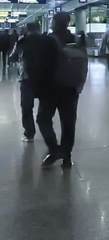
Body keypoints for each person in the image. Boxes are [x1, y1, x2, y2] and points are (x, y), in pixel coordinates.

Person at [30, 12, 80, 168]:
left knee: (43, 119)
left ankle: (54, 149)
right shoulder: (75, 40)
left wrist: (36, 88)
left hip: (49, 89)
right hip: (70, 88)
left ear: (54, 23)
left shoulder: (46, 40)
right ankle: (66, 156)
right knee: (68, 124)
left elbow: (39, 65)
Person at [10, 22, 41, 143]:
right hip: (45, 78)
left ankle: (29, 133)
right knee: (46, 106)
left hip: (27, 77)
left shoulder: (23, 41)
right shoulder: (47, 40)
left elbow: (13, 57)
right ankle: (46, 128)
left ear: (27, 30)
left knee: (27, 107)